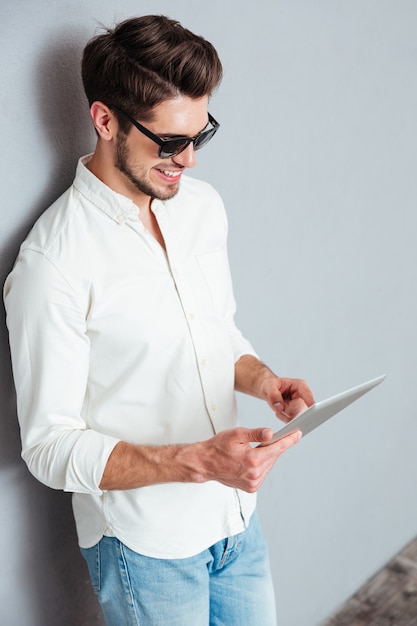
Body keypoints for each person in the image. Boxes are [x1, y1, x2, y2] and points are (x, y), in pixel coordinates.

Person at [4, 15, 314, 626]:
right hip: (145, 547)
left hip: (233, 520)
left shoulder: (201, 209)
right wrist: (199, 461)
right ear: (105, 120)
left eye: (201, 135)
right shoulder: (53, 265)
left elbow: (215, 333)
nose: (190, 161)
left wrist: (263, 381)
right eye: (170, 142)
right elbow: (48, 447)